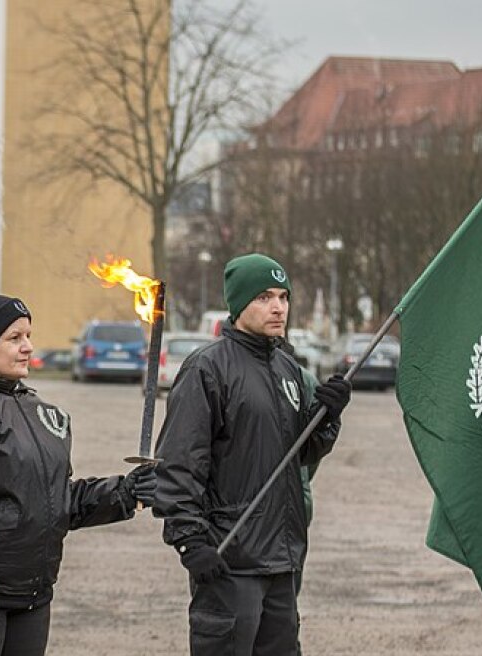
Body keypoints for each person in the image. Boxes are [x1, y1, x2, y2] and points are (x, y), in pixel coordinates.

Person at [153, 253, 352, 655]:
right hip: (230, 560)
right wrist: (190, 541)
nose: (278, 307)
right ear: (239, 304)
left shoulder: (288, 369)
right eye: (264, 297)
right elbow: (178, 463)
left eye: (283, 296)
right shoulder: (207, 369)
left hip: (282, 559)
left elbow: (299, 454)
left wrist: (326, 417)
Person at [0, 293, 156, 656]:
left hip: (33, 596)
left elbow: (56, 500)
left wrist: (125, 492)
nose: (28, 347)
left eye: (28, 335)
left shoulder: (39, 410)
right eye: (14, 338)